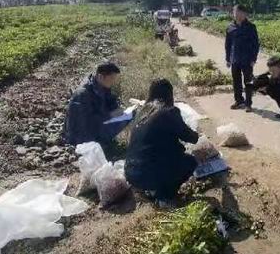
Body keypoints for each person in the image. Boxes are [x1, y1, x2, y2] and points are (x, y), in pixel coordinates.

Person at [125, 79, 199, 208]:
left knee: (162, 157)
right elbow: (191, 137)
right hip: (149, 174)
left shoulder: (142, 111)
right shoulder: (169, 112)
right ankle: (165, 196)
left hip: (131, 174)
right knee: (190, 162)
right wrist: (197, 134)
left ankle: (150, 190)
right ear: (169, 94)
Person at [63, 62, 130, 158]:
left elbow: (110, 103)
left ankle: (104, 142)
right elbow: (86, 122)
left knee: (129, 115)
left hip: (95, 126)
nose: (113, 82)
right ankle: (101, 144)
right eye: (111, 78)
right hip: (80, 136)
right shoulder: (83, 94)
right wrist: (111, 115)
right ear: (101, 76)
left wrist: (118, 109)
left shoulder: (102, 86)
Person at [225, 4, 260, 112]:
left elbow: (256, 44)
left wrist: (253, 59)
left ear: (245, 14)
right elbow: (228, 44)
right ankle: (239, 100)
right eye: (235, 13)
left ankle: (248, 104)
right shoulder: (230, 27)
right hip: (235, 59)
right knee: (236, 82)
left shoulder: (251, 27)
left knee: (248, 82)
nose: (237, 15)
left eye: (240, 13)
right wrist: (228, 59)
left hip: (247, 59)